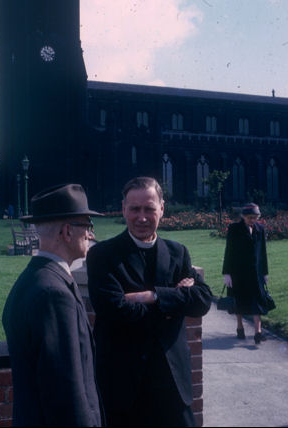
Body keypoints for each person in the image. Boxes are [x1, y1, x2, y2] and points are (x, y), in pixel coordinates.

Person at [87, 177, 213, 427]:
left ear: (162, 209)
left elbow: (202, 300)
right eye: (135, 209)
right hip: (124, 388)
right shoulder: (103, 255)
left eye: (149, 209)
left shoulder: (178, 253)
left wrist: (153, 296)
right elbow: (114, 309)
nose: (142, 217)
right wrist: (175, 301)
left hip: (173, 386)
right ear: (124, 209)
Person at [2, 183, 104, 427]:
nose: (91, 234)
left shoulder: (32, 279)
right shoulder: (54, 294)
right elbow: (66, 393)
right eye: (87, 225)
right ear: (67, 232)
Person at [222, 202, 270, 344]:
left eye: (255, 217)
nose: (252, 220)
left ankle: (258, 332)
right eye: (249, 217)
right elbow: (228, 251)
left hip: (256, 273)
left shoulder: (260, 229)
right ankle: (240, 327)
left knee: (257, 302)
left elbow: (263, 252)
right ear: (243, 216)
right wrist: (227, 273)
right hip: (238, 273)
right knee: (239, 301)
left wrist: (265, 273)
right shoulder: (234, 229)